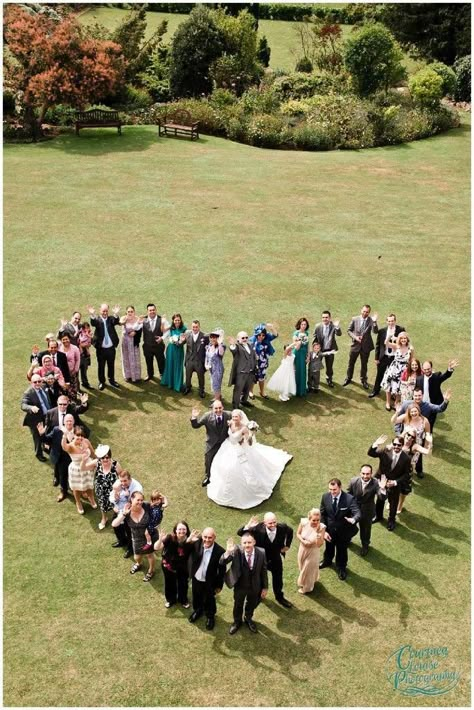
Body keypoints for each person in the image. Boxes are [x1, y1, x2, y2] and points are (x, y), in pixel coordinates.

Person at [207, 409, 292, 509]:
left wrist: (250, 435)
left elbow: (250, 443)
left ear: (240, 418)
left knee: (238, 470)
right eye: (233, 417)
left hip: (241, 450)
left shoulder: (244, 428)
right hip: (229, 447)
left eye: (236, 417)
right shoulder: (230, 423)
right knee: (224, 466)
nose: (234, 419)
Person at [237, 512, 293, 608]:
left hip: (275, 558)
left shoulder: (282, 527)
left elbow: (290, 531)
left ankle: (279, 597)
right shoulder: (257, 528)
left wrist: (287, 545)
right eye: (270, 523)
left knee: (278, 579)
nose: (273, 525)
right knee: (259, 578)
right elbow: (240, 533)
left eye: (274, 522)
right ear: (264, 523)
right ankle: (259, 595)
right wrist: (248, 525)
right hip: (261, 559)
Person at [220, 531, 268, 635]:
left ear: (254, 542)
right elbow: (222, 562)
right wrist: (228, 552)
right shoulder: (236, 551)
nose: (247, 545)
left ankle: (248, 618)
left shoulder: (262, 552)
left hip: (255, 585)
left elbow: (264, 571)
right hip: (240, 585)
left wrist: (265, 588)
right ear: (241, 544)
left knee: (251, 604)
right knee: (238, 604)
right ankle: (237, 622)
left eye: (249, 542)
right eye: (244, 543)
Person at [319, 478, 360, 580]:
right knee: (329, 547)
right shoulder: (325, 497)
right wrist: (324, 530)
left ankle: (341, 568)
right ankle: (327, 561)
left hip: (343, 532)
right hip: (329, 531)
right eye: (330, 489)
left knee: (342, 550)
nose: (332, 492)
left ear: (340, 487)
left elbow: (357, 512)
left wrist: (353, 519)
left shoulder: (349, 499)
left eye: (334, 490)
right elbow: (322, 514)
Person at [368, 435, 411, 530]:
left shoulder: (406, 459)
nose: (396, 446)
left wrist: (395, 482)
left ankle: (391, 520)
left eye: (399, 445)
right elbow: (371, 453)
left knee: (393, 503)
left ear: (402, 446)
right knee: (380, 499)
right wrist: (376, 444)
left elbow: (406, 474)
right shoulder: (385, 451)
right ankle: (378, 516)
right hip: (381, 480)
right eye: (394, 444)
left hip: (394, 484)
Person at [112, 491, 157, 582]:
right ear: (132, 499)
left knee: (149, 555)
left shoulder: (146, 506)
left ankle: (151, 570)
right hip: (136, 538)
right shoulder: (126, 511)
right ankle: (138, 563)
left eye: (141, 500)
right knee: (137, 556)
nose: (140, 502)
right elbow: (114, 524)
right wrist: (124, 514)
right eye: (138, 500)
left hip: (149, 536)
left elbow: (158, 510)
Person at [188, 528, 225, 630]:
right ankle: (198, 610)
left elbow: (221, 570)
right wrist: (189, 540)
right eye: (205, 537)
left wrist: (219, 585)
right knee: (196, 595)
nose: (207, 540)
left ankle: (210, 616)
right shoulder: (196, 543)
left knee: (209, 599)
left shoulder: (220, 551)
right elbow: (184, 549)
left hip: (209, 581)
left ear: (214, 538)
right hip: (196, 578)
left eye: (210, 537)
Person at [155, 521, 198, 607]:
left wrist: (190, 540)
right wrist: (160, 539)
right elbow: (156, 547)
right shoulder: (169, 538)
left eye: (184, 529)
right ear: (175, 530)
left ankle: (183, 600)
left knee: (183, 584)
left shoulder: (191, 540)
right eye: (179, 529)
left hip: (183, 567)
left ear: (187, 530)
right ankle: (171, 600)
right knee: (169, 583)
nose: (181, 531)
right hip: (168, 566)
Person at [190, 401, 232, 487]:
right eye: (216, 408)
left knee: (227, 460)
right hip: (212, 443)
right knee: (208, 459)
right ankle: (208, 477)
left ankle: (226, 477)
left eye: (220, 408)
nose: (218, 410)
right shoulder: (207, 416)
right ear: (212, 409)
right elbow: (196, 425)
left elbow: (238, 420)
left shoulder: (229, 415)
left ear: (223, 407)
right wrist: (194, 417)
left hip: (226, 442)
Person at [347, 464, 386, 555]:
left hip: (367, 512)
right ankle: (348, 539)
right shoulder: (353, 481)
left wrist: (382, 488)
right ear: (360, 473)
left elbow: (382, 497)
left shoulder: (376, 483)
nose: (365, 476)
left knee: (365, 531)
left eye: (368, 474)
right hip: (354, 510)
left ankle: (365, 546)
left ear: (371, 474)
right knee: (349, 526)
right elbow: (349, 494)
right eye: (363, 473)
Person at [80, 444, 122, 529]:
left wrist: (120, 489)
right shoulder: (96, 462)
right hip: (100, 490)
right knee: (103, 505)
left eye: (107, 457)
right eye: (103, 458)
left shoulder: (115, 464)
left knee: (117, 505)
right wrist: (83, 460)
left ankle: (119, 518)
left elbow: (121, 477)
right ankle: (104, 518)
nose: (105, 459)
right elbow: (83, 468)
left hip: (113, 491)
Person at [37, 413, 75, 502]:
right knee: (62, 476)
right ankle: (63, 492)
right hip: (60, 458)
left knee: (75, 475)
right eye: (67, 421)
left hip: (73, 459)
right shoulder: (56, 430)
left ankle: (80, 491)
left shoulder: (77, 431)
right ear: (64, 422)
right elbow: (47, 440)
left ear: (73, 422)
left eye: (70, 421)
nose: (69, 423)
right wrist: (42, 434)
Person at [391, 402, 431, 479]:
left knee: (412, 461)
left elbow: (428, 433)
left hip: (416, 444)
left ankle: (411, 474)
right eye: (411, 412)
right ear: (409, 412)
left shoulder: (424, 421)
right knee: (400, 458)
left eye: (415, 411)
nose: (413, 413)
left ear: (418, 411)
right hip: (404, 442)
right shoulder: (406, 417)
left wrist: (427, 445)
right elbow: (393, 421)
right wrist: (397, 412)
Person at [416, 358, 459, 430]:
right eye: (425, 369)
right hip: (421, 404)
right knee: (420, 423)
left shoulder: (436, 376)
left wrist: (450, 369)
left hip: (432, 405)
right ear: (422, 369)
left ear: (431, 368)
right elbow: (416, 391)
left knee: (430, 424)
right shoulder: (419, 379)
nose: (427, 371)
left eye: (428, 369)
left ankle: (429, 437)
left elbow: (445, 376)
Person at [61, 426, 95, 514]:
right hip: (76, 469)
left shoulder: (86, 441)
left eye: (82, 436)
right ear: (74, 435)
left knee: (89, 485)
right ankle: (78, 502)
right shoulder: (71, 446)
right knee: (76, 488)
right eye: (78, 435)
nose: (80, 437)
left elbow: (93, 453)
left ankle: (91, 498)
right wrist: (64, 437)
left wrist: (99, 460)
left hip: (87, 467)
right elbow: (64, 446)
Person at [369, 313, 404, 398]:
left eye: (392, 321)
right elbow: (378, 345)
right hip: (384, 357)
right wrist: (376, 358)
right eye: (389, 321)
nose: (390, 323)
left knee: (394, 375)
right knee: (380, 374)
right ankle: (376, 390)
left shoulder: (401, 330)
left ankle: (392, 393)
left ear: (395, 321)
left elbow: (404, 342)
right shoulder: (382, 331)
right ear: (386, 321)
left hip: (394, 358)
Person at [397, 428, 433, 513]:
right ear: (405, 434)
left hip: (406, 473)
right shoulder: (399, 441)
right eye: (408, 435)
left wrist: (430, 443)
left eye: (412, 436)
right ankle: (391, 502)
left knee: (403, 491)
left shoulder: (414, 446)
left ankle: (400, 506)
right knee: (393, 488)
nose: (410, 438)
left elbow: (427, 452)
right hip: (396, 470)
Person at [344, 305, 378, 389]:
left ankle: (363, 380)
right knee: (351, 363)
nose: (365, 313)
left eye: (367, 312)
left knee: (364, 364)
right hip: (355, 345)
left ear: (369, 312)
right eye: (364, 311)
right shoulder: (355, 319)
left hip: (366, 346)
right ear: (361, 310)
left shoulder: (371, 320)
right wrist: (355, 337)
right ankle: (348, 378)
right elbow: (349, 330)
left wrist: (374, 322)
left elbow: (375, 331)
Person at [110, 470, 143, 556]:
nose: (123, 483)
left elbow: (136, 504)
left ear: (130, 479)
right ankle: (121, 541)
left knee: (129, 530)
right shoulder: (118, 483)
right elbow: (113, 495)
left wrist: (125, 510)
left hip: (131, 510)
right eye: (121, 481)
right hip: (120, 507)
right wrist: (115, 505)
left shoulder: (137, 489)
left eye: (125, 481)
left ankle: (130, 549)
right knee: (116, 524)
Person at [88, 303, 121, 390]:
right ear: (100, 311)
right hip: (101, 349)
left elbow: (116, 321)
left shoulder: (111, 319)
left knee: (111, 365)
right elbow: (93, 323)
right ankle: (102, 382)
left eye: (106, 311)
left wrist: (116, 314)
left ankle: (112, 380)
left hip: (111, 348)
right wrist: (92, 314)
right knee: (101, 366)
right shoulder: (98, 320)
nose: (105, 313)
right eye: (103, 311)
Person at [21, 374, 51, 461]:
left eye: (39, 381)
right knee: (37, 437)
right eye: (35, 382)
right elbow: (23, 405)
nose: (37, 383)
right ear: (31, 383)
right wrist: (31, 407)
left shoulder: (44, 387)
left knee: (47, 432)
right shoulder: (28, 393)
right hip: (35, 419)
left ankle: (46, 447)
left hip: (47, 416)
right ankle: (39, 454)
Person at [380, 331, 413, 411]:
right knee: (389, 386)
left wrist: (410, 371)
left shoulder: (410, 349)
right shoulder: (396, 346)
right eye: (401, 338)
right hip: (394, 368)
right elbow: (386, 343)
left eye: (405, 338)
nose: (403, 340)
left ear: (407, 339)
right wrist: (390, 336)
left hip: (404, 370)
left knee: (399, 387)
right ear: (399, 339)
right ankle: (387, 402)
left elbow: (411, 360)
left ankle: (396, 403)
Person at [296, 508, 326, 593]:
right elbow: (298, 533)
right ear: (309, 519)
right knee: (302, 566)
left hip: (313, 551)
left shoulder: (322, 527)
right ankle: (308, 580)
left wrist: (318, 535)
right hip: (302, 549)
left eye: (318, 520)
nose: (316, 522)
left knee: (308, 569)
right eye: (313, 520)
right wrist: (303, 541)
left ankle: (307, 588)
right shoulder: (303, 523)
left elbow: (320, 544)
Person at [248, 323, 278, 400]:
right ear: (256, 334)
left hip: (263, 363)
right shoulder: (252, 341)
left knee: (262, 378)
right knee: (253, 378)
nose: (261, 337)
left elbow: (275, 335)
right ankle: (250, 391)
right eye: (259, 335)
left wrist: (272, 327)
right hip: (254, 363)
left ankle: (262, 392)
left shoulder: (266, 339)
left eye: (263, 335)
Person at [312, 311, 342, 388]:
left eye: (326, 317)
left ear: (329, 318)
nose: (325, 319)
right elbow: (314, 338)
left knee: (329, 366)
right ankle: (315, 380)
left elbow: (339, 334)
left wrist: (337, 327)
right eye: (323, 317)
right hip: (320, 350)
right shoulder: (318, 326)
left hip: (330, 350)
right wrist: (315, 349)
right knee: (316, 365)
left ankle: (329, 379)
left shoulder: (333, 326)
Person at [228, 331, 257, 408]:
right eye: (243, 338)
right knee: (238, 390)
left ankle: (244, 401)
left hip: (250, 372)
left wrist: (255, 366)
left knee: (247, 389)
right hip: (241, 373)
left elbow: (253, 356)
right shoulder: (237, 347)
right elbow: (233, 350)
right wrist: (232, 344)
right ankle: (235, 405)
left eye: (246, 337)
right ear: (238, 339)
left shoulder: (250, 345)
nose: (245, 339)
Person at [142, 303, 168, 381]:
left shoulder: (162, 320)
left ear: (156, 310)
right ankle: (150, 375)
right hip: (147, 346)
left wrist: (162, 338)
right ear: (147, 311)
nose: (152, 312)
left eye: (153, 310)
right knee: (148, 361)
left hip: (158, 346)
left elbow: (168, 331)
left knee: (161, 361)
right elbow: (136, 327)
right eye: (150, 310)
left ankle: (163, 375)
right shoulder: (144, 320)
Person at [161, 313, 187, 393]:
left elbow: (186, 339)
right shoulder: (171, 328)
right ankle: (169, 382)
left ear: (181, 320)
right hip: (171, 349)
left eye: (178, 320)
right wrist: (163, 321)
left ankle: (177, 384)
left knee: (178, 366)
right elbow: (163, 330)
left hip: (179, 350)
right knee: (170, 364)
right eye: (175, 320)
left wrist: (181, 342)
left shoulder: (184, 328)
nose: (177, 322)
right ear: (173, 320)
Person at [184, 320, 209, 397]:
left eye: (196, 327)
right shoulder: (187, 334)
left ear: (199, 327)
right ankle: (188, 388)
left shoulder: (205, 336)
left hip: (199, 361)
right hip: (189, 360)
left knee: (201, 377)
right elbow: (182, 342)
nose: (195, 328)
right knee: (188, 376)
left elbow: (209, 347)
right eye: (193, 327)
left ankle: (201, 390)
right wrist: (178, 341)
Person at [119, 305, 143, 383]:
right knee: (126, 358)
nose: (130, 313)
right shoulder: (123, 318)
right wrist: (124, 321)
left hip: (134, 341)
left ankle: (136, 376)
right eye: (128, 311)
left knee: (135, 358)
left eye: (131, 311)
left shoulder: (137, 319)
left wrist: (135, 332)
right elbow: (120, 323)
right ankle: (127, 375)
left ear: (134, 312)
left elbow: (140, 329)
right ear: (126, 312)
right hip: (125, 341)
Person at [204, 329, 226, 403]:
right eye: (211, 337)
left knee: (216, 385)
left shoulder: (221, 346)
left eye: (215, 337)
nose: (213, 339)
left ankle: (217, 401)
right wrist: (206, 364)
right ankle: (217, 396)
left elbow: (221, 353)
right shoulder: (209, 346)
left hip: (218, 369)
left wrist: (219, 344)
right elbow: (207, 356)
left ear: (218, 338)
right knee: (213, 384)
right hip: (211, 368)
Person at [59, 333, 81, 399]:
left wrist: (75, 370)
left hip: (72, 372)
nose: (65, 341)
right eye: (63, 339)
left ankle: (74, 399)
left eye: (67, 339)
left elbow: (78, 359)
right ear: (61, 340)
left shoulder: (75, 348)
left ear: (69, 339)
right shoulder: (59, 348)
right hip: (62, 373)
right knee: (65, 386)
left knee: (73, 386)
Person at [293, 317, 310, 396]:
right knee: (297, 371)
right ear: (299, 325)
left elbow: (308, 346)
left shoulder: (307, 333)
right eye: (302, 324)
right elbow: (296, 346)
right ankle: (296, 390)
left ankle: (302, 390)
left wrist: (308, 356)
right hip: (297, 353)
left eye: (305, 324)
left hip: (304, 354)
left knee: (303, 371)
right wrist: (299, 341)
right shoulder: (296, 333)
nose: (303, 326)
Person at [78, 322, 93, 390]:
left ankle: (85, 382)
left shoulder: (89, 333)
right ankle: (77, 385)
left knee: (85, 369)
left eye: (88, 327)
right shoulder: (81, 333)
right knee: (77, 370)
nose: (86, 329)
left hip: (85, 354)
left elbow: (90, 342)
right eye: (85, 328)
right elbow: (80, 343)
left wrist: (88, 344)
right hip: (80, 353)